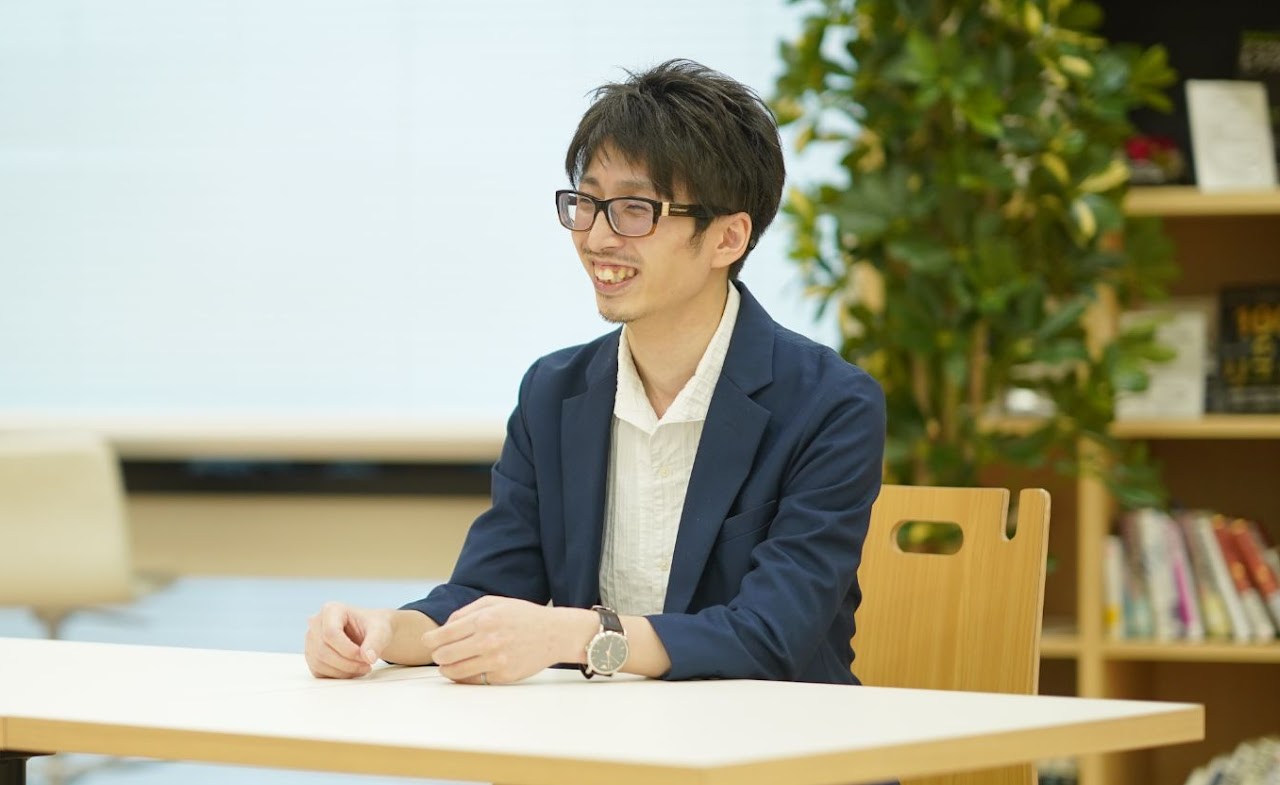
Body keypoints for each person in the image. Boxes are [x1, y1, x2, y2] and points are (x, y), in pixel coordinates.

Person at [304, 59, 885, 686]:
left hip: (777, 736)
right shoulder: (554, 392)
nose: (597, 238)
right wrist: (384, 630)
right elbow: (486, 592)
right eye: (587, 202)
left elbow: (770, 635)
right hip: (602, 734)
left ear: (727, 239)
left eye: (635, 208)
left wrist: (576, 634)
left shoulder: (830, 404)